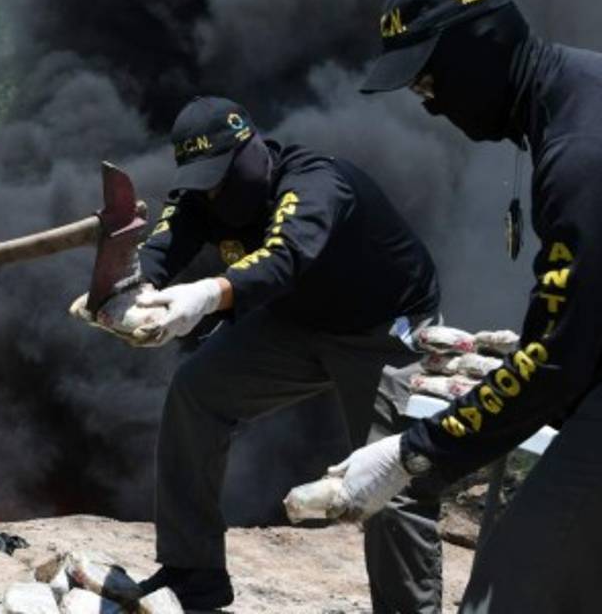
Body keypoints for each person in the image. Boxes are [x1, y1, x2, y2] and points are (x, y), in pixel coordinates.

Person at [312, 0, 602, 613]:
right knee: (517, 589)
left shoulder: (588, 143)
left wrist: (414, 453)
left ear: (479, 51)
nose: (428, 103)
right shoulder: (563, 112)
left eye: (428, 79)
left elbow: (557, 356)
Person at [130, 95, 446, 612]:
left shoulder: (315, 182)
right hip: (295, 321)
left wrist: (206, 294)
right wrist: (131, 290)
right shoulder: (202, 195)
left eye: (221, 175)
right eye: (201, 179)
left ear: (250, 150)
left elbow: (285, 258)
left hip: (384, 331)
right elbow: (163, 244)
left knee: (393, 477)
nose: (212, 191)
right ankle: (193, 574)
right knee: (197, 392)